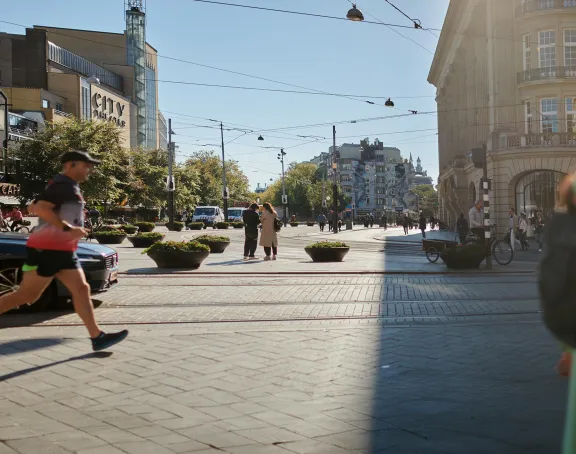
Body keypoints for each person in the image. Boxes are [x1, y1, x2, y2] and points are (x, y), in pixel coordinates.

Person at [0, 150, 128, 351]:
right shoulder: (63, 186)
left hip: (61, 249)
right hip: (47, 249)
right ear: (71, 165)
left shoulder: (66, 185)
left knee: (81, 289)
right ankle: (97, 337)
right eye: (86, 165)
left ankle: (97, 337)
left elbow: (33, 205)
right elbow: (40, 208)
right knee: (26, 296)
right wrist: (68, 228)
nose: (90, 169)